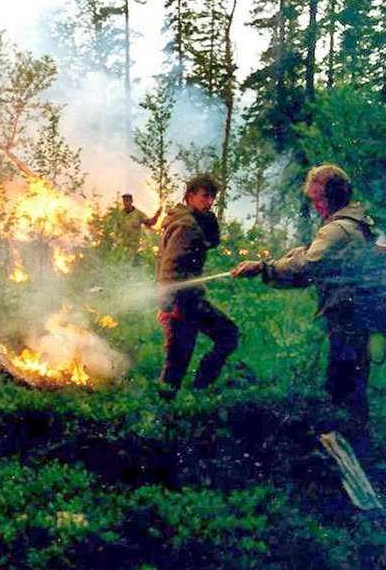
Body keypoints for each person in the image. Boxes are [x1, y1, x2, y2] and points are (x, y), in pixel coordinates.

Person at [232, 164, 373, 436]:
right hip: (354, 319)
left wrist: (263, 268)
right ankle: (353, 441)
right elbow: (313, 254)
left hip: (345, 322)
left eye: (317, 199)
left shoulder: (336, 230)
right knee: (352, 385)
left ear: (330, 197)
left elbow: (305, 269)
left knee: (341, 387)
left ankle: (342, 450)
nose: (316, 206)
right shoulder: (354, 222)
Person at [157, 175, 238, 392]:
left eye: (212, 197)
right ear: (190, 196)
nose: (210, 201)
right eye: (205, 196)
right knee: (226, 336)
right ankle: (193, 394)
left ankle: (188, 398)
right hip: (182, 301)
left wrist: (209, 220)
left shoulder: (192, 220)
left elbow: (211, 242)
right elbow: (170, 267)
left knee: (179, 358)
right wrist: (168, 306)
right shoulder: (186, 225)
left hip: (188, 299)